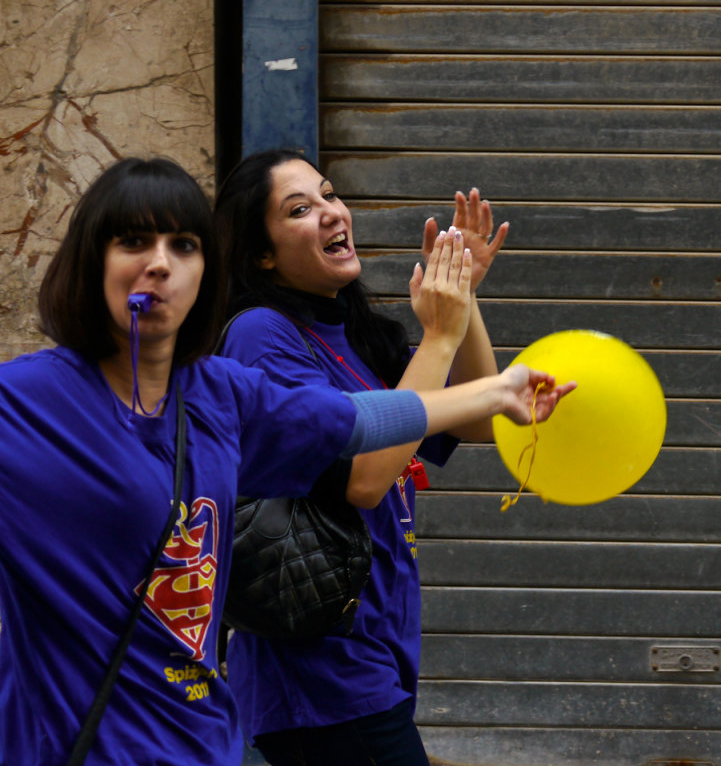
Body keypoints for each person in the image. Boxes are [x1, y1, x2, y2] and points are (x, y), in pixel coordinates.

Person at [0, 156, 572, 766]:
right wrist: (447, 346)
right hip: (119, 732)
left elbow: (359, 424)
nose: (161, 262)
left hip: (204, 735)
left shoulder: (222, 391)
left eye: (185, 244)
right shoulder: (26, 404)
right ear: (91, 262)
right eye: (134, 241)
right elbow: (366, 473)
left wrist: (489, 373)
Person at [213, 149, 570, 766]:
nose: (330, 213)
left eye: (329, 194)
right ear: (261, 255)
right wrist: (438, 335)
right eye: (300, 209)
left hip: (374, 646)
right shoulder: (259, 334)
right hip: (320, 668)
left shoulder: (353, 335)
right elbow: (364, 479)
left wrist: (461, 297)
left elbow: (482, 419)